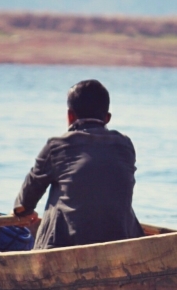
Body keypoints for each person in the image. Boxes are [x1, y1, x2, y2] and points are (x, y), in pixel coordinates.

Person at [13, 79, 145, 250]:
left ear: (70, 116)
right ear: (107, 118)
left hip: (65, 246)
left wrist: (21, 211)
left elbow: (25, 202)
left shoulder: (57, 146)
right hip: (121, 241)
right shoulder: (125, 146)